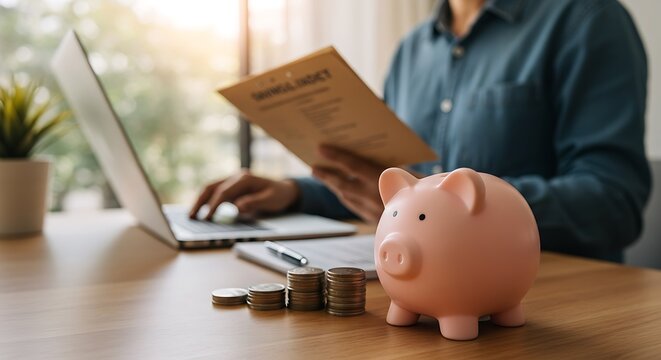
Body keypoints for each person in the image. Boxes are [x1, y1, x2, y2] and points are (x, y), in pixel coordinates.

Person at [190, 0, 651, 262]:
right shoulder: (413, 49)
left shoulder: (588, 19)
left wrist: (443, 207)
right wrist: (291, 192)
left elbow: (613, 202)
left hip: (546, 301)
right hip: (419, 290)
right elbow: (390, 185)